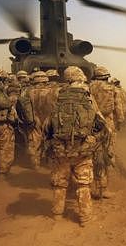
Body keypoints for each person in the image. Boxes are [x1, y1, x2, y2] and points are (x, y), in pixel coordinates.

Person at [47, 66, 104, 226]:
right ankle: (85, 217)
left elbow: (49, 124)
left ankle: (57, 215)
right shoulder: (87, 96)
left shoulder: (58, 95)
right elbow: (100, 122)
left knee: (60, 183)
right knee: (83, 184)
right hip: (82, 149)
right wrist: (92, 137)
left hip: (61, 149)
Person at [88, 65, 122, 199]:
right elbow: (118, 109)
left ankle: (90, 185)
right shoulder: (112, 88)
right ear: (107, 76)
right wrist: (119, 123)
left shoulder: (89, 87)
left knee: (92, 155)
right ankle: (103, 189)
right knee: (107, 155)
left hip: (92, 124)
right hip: (108, 123)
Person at [17, 70, 59, 170]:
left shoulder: (27, 92)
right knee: (51, 140)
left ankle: (35, 164)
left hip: (34, 119)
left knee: (34, 142)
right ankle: (50, 163)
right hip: (50, 120)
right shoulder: (54, 91)